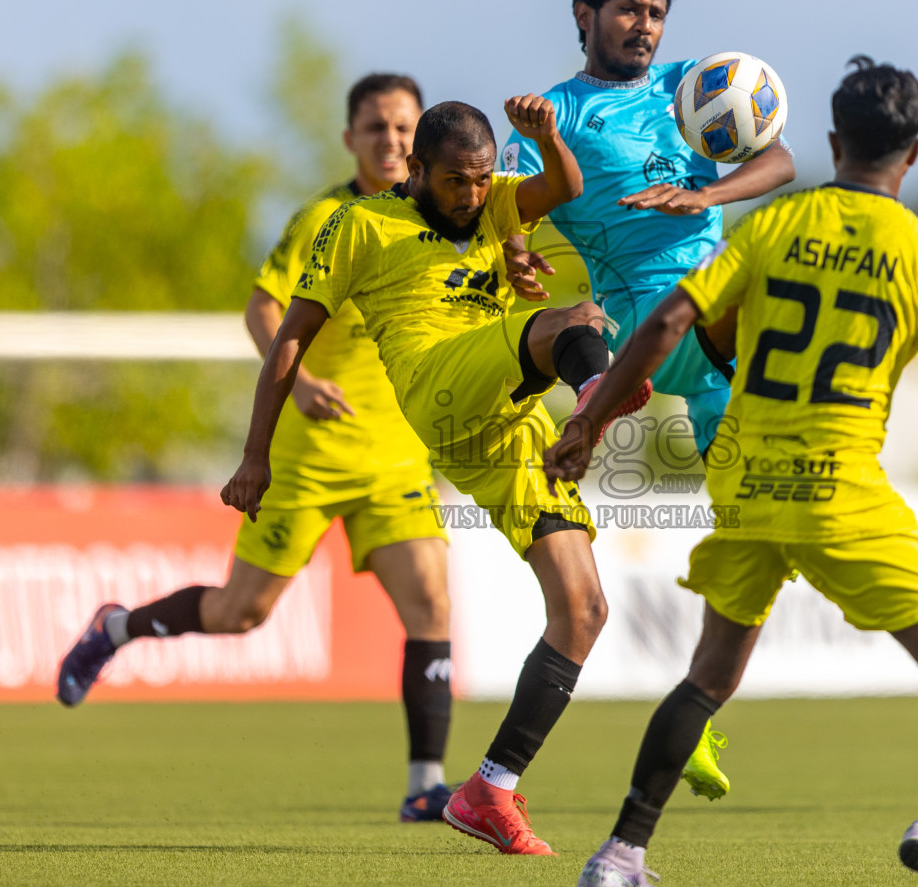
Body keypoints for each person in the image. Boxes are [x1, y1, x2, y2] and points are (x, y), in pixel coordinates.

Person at [548, 56, 918, 887]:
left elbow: (675, 317)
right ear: (914, 154)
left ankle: (620, 855)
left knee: (708, 677)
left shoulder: (776, 226)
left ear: (830, 141)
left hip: (744, 477)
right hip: (839, 487)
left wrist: (592, 419)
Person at [220, 94, 650, 856]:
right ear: (416, 171)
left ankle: (489, 789)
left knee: (583, 610)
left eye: (483, 180)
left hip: (507, 423)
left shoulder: (495, 203)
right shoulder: (358, 226)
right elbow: (289, 338)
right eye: (455, 181)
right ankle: (593, 398)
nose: (473, 196)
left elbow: (567, 189)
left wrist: (547, 138)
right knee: (572, 322)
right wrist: (256, 454)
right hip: (436, 386)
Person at [57, 74, 464, 821]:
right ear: (350, 139)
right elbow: (262, 305)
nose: (392, 141)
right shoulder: (326, 217)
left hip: (395, 456)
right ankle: (114, 628)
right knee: (241, 613)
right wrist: (301, 379)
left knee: (432, 603)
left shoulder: (444, 215)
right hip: (309, 456)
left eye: (405, 128)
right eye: (376, 127)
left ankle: (424, 784)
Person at [502, 0, 796, 800]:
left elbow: (778, 162)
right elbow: (504, 212)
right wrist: (519, 256)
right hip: (660, 323)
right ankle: (695, 704)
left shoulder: (692, 89)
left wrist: (702, 196)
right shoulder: (553, 113)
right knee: (772, 510)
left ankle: (693, 712)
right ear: (586, 15)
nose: (645, 26)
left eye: (657, 13)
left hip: (729, 296)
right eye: (630, 9)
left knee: (757, 526)